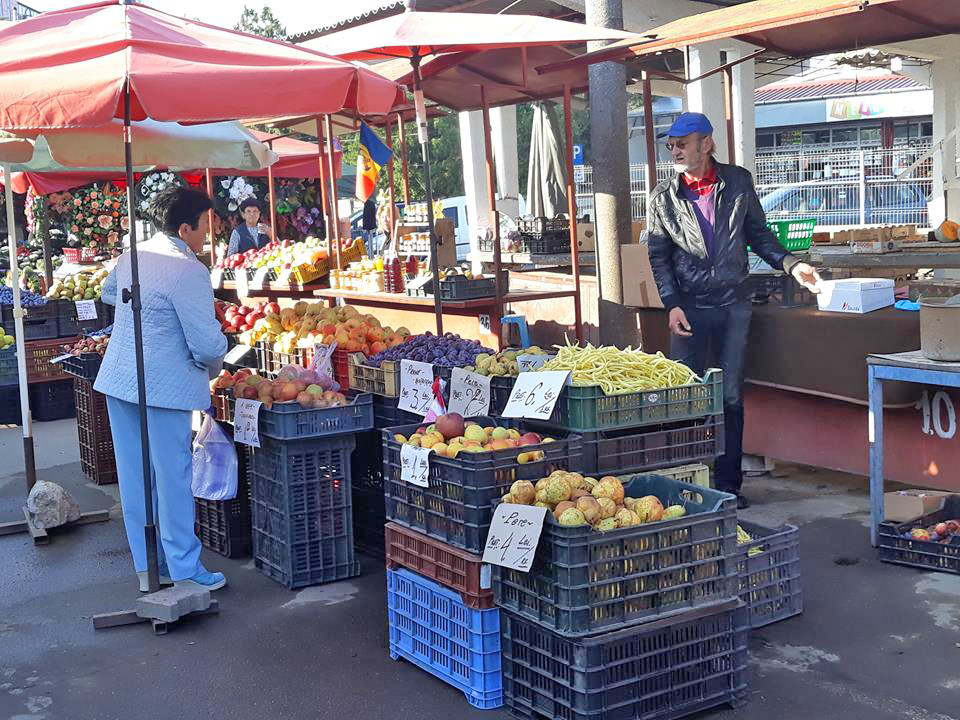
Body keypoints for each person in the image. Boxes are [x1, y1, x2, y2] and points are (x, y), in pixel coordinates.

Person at [646, 112, 821, 508]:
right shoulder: (662, 196)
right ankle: (688, 483)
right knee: (687, 397)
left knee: (729, 397)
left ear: (706, 144)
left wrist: (792, 264)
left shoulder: (738, 181)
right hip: (689, 306)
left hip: (734, 303)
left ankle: (728, 486)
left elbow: (758, 234)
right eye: (670, 144)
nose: (674, 150)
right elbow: (659, 257)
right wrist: (671, 304)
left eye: (682, 142)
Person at [95, 186, 228, 592]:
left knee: (135, 477)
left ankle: (147, 567)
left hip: (121, 378)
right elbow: (206, 344)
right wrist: (221, 347)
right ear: (185, 227)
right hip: (165, 386)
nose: (209, 234)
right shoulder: (188, 270)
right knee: (172, 477)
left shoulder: (131, 255)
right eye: (206, 225)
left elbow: (106, 294)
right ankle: (184, 567)